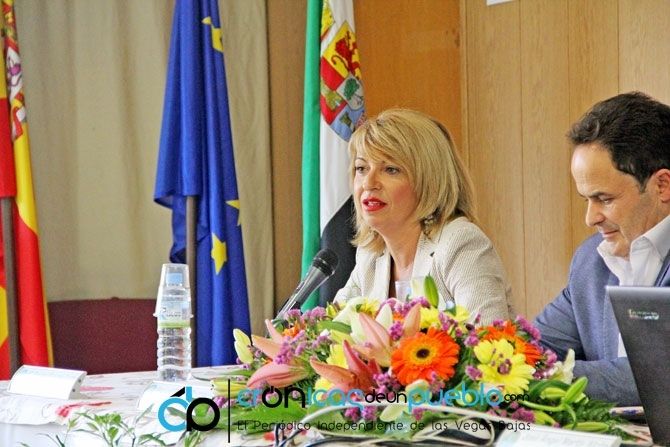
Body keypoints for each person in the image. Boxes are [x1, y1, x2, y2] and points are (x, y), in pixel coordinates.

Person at [534, 92, 670, 406]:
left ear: (662, 185)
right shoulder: (590, 260)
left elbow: (656, 377)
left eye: (604, 199)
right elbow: (532, 347)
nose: (590, 218)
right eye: (586, 200)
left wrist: (543, 378)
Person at [334, 108, 512, 325]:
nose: (368, 183)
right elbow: (330, 330)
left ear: (428, 180)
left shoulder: (459, 244)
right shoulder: (370, 256)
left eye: (390, 169)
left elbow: (489, 338)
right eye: (362, 168)